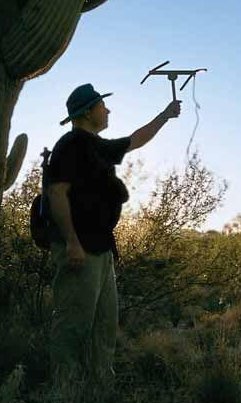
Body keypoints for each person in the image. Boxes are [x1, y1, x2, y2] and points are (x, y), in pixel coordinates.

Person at [46, 83, 181, 384]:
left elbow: (135, 140)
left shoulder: (98, 147)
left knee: (104, 327)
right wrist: (71, 243)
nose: (107, 110)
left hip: (100, 250)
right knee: (73, 326)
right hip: (80, 249)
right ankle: (64, 402)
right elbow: (57, 193)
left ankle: (97, 396)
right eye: (101, 106)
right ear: (87, 112)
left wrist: (164, 115)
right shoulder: (70, 145)